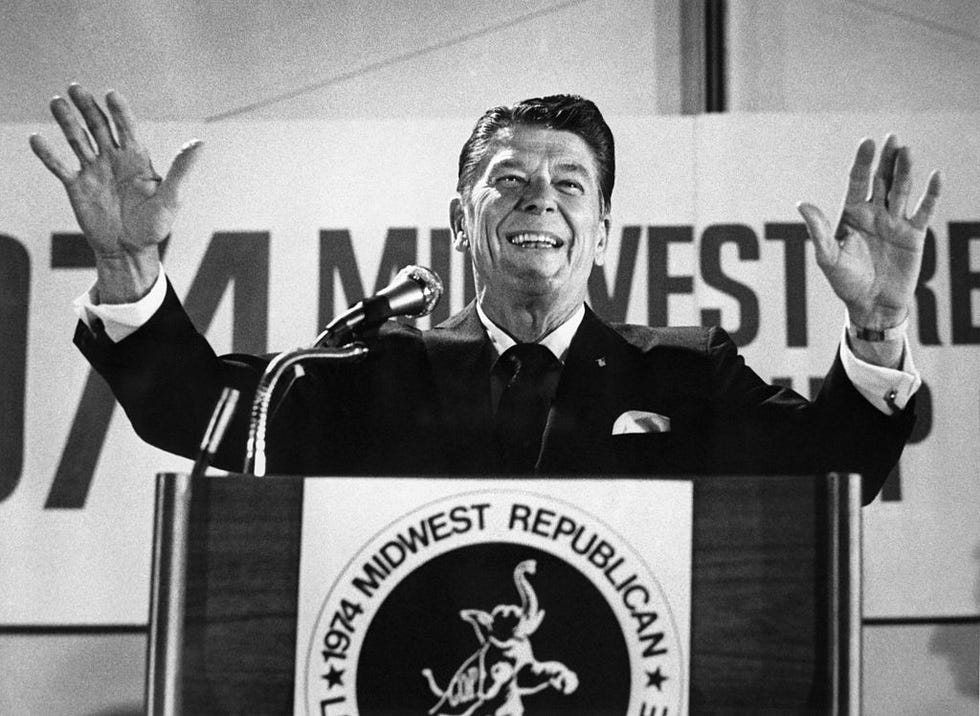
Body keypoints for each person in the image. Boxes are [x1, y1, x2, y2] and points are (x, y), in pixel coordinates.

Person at [31, 85, 941, 504]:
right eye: (508, 181)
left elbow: (837, 469)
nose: (539, 198)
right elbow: (198, 411)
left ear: (605, 228)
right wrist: (125, 267)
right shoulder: (377, 371)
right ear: (463, 221)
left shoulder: (684, 375)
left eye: (570, 184)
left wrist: (879, 321)